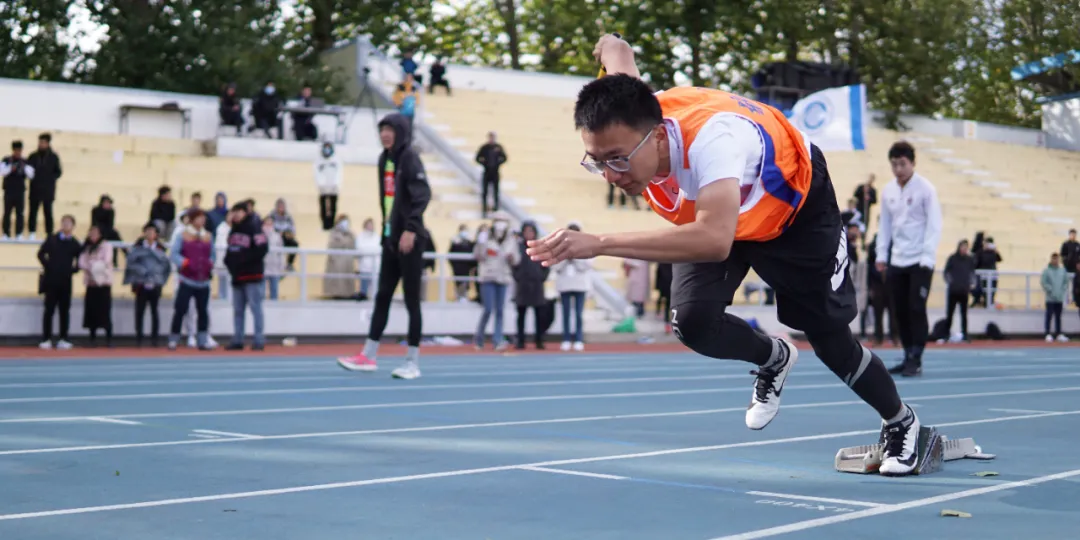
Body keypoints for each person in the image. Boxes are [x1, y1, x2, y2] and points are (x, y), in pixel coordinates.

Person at [525, 34, 924, 476]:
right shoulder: (632, 112)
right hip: (718, 210)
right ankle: (773, 357)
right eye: (596, 161)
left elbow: (715, 241)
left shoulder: (713, 141)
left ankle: (901, 422)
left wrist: (599, 243)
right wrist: (608, 44)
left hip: (794, 212)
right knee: (691, 322)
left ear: (657, 136)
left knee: (830, 341)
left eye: (617, 160)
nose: (609, 175)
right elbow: (620, 54)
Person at [337, 113, 430, 379]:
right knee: (382, 296)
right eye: (382, 130)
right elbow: (388, 201)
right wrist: (388, 232)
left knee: (412, 301)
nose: (385, 134)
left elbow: (423, 195)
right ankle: (368, 354)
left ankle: (412, 361)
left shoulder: (410, 158)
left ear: (401, 132)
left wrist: (411, 229)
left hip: (410, 239)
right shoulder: (384, 159)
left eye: (390, 129)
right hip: (391, 238)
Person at [876, 141, 942, 376]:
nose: (898, 169)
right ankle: (906, 355)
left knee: (916, 308)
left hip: (920, 260)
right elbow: (884, 225)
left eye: (902, 164)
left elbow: (934, 225)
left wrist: (928, 256)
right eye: (894, 164)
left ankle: (917, 356)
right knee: (900, 310)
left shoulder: (926, 189)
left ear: (912, 163)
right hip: (897, 259)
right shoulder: (888, 191)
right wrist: (881, 254)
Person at [168, 209, 216, 350]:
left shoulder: (208, 236)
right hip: (187, 278)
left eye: (203, 218)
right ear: (192, 219)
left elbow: (212, 255)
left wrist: (210, 263)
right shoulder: (183, 235)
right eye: (199, 218)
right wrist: (186, 263)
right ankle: (174, 338)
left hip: (203, 280)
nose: (202, 221)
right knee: (180, 309)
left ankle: (202, 339)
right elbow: (174, 254)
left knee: (202, 311)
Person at [224, 202, 269, 350]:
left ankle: (258, 340)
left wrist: (244, 259)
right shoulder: (233, 230)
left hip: (252, 276)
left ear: (245, 212)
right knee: (238, 310)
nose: (236, 214)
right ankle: (238, 339)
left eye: (239, 211)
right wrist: (230, 263)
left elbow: (262, 249)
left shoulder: (254, 227)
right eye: (234, 211)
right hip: (237, 276)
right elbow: (230, 251)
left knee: (255, 309)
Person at [474, 211, 520, 350]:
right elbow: (478, 256)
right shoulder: (485, 237)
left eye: (503, 220)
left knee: (500, 310)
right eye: (498, 220)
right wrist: (480, 243)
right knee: (488, 309)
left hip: (503, 277)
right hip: (488, 276)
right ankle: (479, 338)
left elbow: (517, 259)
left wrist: (512, 258)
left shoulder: (511, 239)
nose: (501, 223)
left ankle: (497, 339)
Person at [124, 223, 171, 347]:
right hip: (141, 283)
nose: (150, 234)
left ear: (156, 235)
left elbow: (166, 266)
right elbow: (130, 263)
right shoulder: (137, 248)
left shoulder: (161, 249)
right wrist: (140, 270)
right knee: (139, 311)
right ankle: (139, 336)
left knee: (155, 311)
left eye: (152, 232)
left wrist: (159, 277)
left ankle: (154, 338)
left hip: (155, 283)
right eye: (148, 231)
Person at [37, 214, 80, 350]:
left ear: (73, 226)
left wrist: (72, 270)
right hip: (51, 280)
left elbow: (81, 259)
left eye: (69, 223)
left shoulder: (74, 243)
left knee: (64, 310)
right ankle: (46, 338)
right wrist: (49, 266)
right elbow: (40, 254)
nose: (66, 225)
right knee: (49, 310)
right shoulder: (52, 239)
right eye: (64, 222)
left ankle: (63, 338)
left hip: (66, 281)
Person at [552, 222, 591, 351]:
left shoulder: (586, 246)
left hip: (580, 284)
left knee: (579, 314)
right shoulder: (560, 247)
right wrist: (565, 258)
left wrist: (574, 258)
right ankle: (566, 339)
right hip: (564, 284)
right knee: (566, 314)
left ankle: (579, 339)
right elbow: (555, 266)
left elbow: (587, 265)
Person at [513, 220, 550, 349]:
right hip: (522, 285)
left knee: (539, 315)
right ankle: (520, 341)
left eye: (531, 231)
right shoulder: (518, 247)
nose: (529, 234)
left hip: (536, 285)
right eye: (526, 231)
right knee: (521, 315)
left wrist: (541, 277)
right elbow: (513, 264)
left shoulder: (540, 247)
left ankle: (539, 340)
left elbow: (547, 265)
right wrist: (518, 277)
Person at [79, 225, 114, 347]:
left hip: (103, 283)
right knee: (91, 311)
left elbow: (106, 261)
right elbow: (82, 262)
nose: (92, 235)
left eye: (95, 233)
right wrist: (92, 266)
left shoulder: (106, 246)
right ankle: (92, 338)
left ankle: (108, 338)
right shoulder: (86, 247)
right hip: (91, 283)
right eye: (91, 233)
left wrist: (92, 264)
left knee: (105, 311)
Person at [26, 133, 61, 239]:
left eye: (43, 142)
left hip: (48, 190)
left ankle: (49, 233)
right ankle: (32, 232)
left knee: (48, 212)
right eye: (40, 142)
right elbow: (28, 170)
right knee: (33, 212)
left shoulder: (54, 157)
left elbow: (58, 172)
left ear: (48, 143)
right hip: (35, 189)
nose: (41, 144)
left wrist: (49, 178)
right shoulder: (33, 156)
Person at [942, 239, 975, 343]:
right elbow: (946, 272)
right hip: (953, 290)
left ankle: (965, 334)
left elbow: (972, 273)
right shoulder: (952, 258)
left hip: (964, 290)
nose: (964, 249)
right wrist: (951, 282)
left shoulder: (969, 260)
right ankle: (946, 334)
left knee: (964, 314)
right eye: (963, 247)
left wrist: (972, 283)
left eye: (966, 247)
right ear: (959, 247)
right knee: (950, 314)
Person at [2, 140, 34, 240]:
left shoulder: (24, 161)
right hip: (8, 190)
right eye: (16, 150)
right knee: (7, 212)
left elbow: (31, 175)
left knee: (20, 213)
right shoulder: (6, 160)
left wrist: (23, 167)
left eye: (19, 150)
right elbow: (2, 172)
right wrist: (11, 168)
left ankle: (19, 233)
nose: (17, 152)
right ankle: (6, 233)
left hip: (20, 191)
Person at [475, 132, 507, 216]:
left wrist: (498, 163)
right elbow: (477, 158)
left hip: (495, 172)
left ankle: (496, 208)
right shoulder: (484, 147)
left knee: (496, 191)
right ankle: (484, 209)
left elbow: (505, 157)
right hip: (487, 172)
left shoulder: (498, 147)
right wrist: (484, 163)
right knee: (485, 191)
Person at [1041, 252, 1070, 343]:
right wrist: (1050, 290)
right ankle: (1047, 334)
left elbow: (1066, 281)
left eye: (1057, 259)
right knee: (1049, 315)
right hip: (1050, 298)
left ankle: (1058, 334)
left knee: (1058, 316)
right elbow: (1043, 282)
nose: (1055, 260)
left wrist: (1062, 291)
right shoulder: (1047, 271)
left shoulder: (1062, 271)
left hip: (1059, 298)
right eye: (1054, 259)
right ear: (1051, 259)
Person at [315, 141, 343, 231]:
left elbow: (339, 173)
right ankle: (324, 224)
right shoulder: (319, 161)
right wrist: (320, 184)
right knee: (323, 206)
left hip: (334, 188)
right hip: (323, 188)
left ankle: (331, 224)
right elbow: (316, 173)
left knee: (333, 206)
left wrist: (337, 184)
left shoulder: (336, 160)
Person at [356, 218, 381, 300]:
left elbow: (379, 249)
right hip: (364, 266)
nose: (370, 226)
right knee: (364, 288)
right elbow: (360, 249)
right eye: (369, 224)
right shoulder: (360, 237)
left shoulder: (377, 237)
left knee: (375, 288)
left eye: (372, 224)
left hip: (376, 266)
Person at [262, 216, 285, 301]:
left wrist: (282, 266)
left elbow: (281, 252)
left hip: (274, 266)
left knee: (274, 290)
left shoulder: (277, 236)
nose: (268, 225)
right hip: (263, 266)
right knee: (261, 291)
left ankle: (274, 309)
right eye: (266, 223)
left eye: (270, 223)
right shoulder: (260, 235)